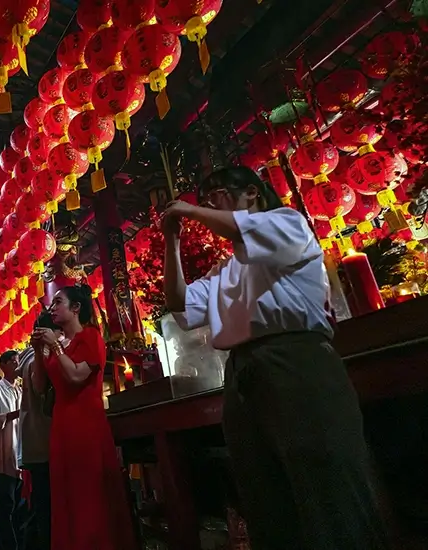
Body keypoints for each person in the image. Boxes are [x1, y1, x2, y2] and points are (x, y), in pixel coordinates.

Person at [160, 166, 388, 550]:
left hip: (294, 358)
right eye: (208, 196)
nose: (212, 202)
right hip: (241, 371)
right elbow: (179, 302)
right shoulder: (226, 269)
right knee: (262, 490)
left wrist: (190, 211)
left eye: (219, 192)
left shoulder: (287, 223)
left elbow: (240, 229)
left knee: (325, 478)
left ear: (252, 193)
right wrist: (172, 243)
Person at [31, 286, 137, 550]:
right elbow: (39, 386)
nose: (52, 308)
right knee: (67, 493)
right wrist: (37, 351)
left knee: (89, 491)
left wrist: (54, 345)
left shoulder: (90, 337)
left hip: (85, 422)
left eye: (58, 302)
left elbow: (77, 376)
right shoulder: (59, 345)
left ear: (76, 307)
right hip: (62, 424)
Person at [15, 312, 66, 550]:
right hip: (46, 441)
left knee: (41, 506)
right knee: (49, 509)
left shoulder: (27, 358)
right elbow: (40, 387)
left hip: (35, 442)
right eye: (60, 332)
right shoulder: (42, 354)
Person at [0, 350, 22, 550]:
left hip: (19, 454)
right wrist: (15, 414)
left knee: (18, 508)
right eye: (15, 362)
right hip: (2, 455)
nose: (18, 366)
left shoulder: (20, 391)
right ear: (4, 365)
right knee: (4, 509)